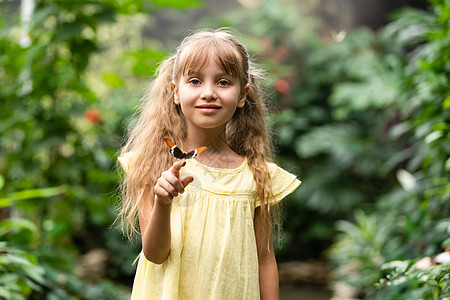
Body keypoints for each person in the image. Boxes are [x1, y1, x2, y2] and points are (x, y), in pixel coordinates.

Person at [117, 28, 301, 300]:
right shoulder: (154, 165)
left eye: (223, 82)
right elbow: (155, 255)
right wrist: (163, 202)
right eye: (195, 81)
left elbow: (264, 260)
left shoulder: (257, 176)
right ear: (175, 92)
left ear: (242, 95)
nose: (209, 93)